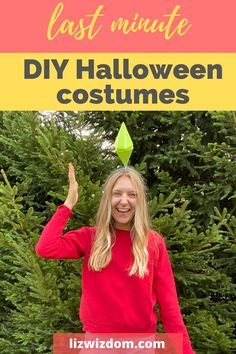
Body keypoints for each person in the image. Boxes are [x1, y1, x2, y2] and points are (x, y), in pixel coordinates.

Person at [35, 163, 195, 354]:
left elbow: (170, 307)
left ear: (140, 200)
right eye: (117, 193)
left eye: (132, 194)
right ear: (108, 198)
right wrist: (68, 205)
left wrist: (186, 351)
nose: (124, 201)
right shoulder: (91, 238)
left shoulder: (153, 243)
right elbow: (45, 248)